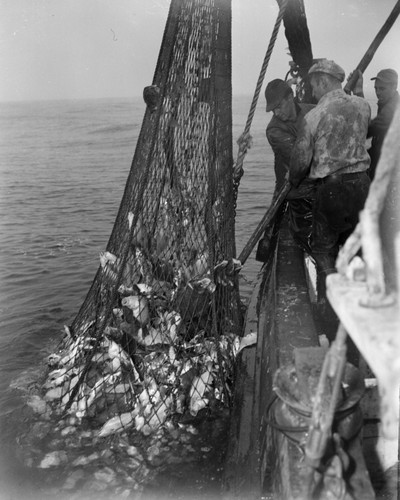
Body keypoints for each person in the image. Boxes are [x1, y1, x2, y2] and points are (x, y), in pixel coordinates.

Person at [289, 59, 371, 306]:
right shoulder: (364, 106)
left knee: (324, 247)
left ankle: (331, 302)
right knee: (358, 243)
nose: (313, 92)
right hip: (362, 186)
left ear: (324, 81)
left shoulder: (314, 116)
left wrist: (293, 180)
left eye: (314, 86)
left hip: (332, 189)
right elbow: (361, 136)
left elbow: (301, 160)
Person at [264, 78, 315, 254]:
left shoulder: (312, 110)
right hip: (302, 192)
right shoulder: (274, 130)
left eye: (279, 106)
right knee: (306, 237)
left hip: (324, 185)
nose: (276, 113)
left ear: (290, 97)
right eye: (272, 109)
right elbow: (301, 159)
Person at [352, 68, 399, 180]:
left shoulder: (392, 109)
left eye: (382, 89)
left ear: (394, 86)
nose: (378, 92)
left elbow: (368, 130)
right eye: (376, 88)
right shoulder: (387, 103)